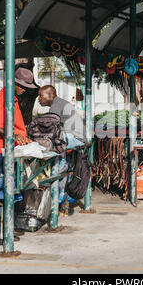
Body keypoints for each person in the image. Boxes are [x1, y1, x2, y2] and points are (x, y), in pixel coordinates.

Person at [0, 67, 37, 241]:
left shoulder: (13, 98)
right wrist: (13, 135)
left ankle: (8, 225)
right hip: (4, 151)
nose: (24, 89)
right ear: (15, 83)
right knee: (6, 191)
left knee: (14, 191)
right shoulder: (4, 96)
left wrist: (23, 137)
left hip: (13, 150)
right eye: (22, 86)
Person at [37, 85, 85, 216]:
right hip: (75, 137)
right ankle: (61, 202)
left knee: (54, 162)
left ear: (50, 95)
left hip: (75, 138)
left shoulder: (56, 106)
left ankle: (56, 203)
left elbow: (48, 130)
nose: (38, 99)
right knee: (60, 164)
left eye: (41, 95)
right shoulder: (59, 104)